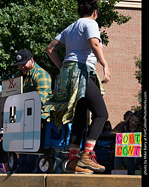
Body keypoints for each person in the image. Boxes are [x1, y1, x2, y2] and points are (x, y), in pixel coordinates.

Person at [44, 0, 110, 174]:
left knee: (80, 118)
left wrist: (63, 68)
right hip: (81, 72)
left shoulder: (71, 27)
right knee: (101, 114)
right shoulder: (91, 23)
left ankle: (74, 161)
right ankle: (87, 155)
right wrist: (105, 65)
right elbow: (94, 43)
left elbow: (50, 49)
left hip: (68, 74)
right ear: (95, 11)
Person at [13, 49, 52, 173]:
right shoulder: (19, 77)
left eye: (24, 63)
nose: (22, 67)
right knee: (23, 154)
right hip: (23, 120)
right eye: (19, 64)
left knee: (33, 154)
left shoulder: (41, 75)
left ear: (32, 60)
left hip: (40, 119)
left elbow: (41, 100)